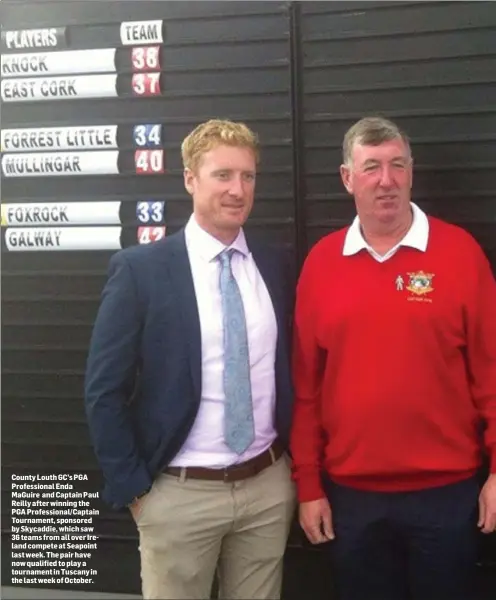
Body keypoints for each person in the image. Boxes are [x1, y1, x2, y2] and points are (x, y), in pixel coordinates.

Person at [85, 119, 295, 600]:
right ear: (189, 179)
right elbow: (104, 390)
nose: (237, 189)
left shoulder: (274, 263)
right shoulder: (142, 271)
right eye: (222, 175)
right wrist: (137, 492)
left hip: (266, 487)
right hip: (178, 495)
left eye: (248, 176)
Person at [290, 116, 496, 600]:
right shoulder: (321, 263)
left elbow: (492, 371)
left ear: (411, 172)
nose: (386, 180)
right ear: (347, 178)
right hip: (352, 499)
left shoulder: (460, 253)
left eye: (397, 165)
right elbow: (305, 390)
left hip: (448, 495)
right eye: (371, 168)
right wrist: (308, 487)